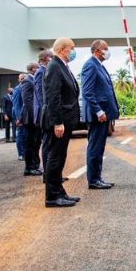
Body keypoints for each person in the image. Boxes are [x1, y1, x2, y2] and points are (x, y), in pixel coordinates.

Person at [41, 37, 81, 207]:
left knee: (60, 157)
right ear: (63, 49)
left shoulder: (62, 66)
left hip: (65, 120)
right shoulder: (55, 66)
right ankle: (52, 196)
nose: (73, 51)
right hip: (58, 121)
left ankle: (59, 192)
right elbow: (53, 97)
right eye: (72, 48)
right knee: (55, 158)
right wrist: (58, 122)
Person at [81, 40, 119, 190]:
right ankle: (94, 180)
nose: (107, 51)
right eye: (105, 49)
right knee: (95, 147)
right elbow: (87, 92)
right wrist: (98, 110)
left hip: (103, 114)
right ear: (97, 50)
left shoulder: (99, 65)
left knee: (99, 147)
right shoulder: (90, 65)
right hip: (97, 115)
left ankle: (97, 178)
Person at [21, 62, 42, 176]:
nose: (39, 69)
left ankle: (35, 165)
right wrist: (34, 118)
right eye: (38, 68)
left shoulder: (33, 79)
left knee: (36, 143)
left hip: (35, 118)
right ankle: (29, 167)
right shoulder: (27, 81)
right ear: (33, 69)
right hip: (30, 118)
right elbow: (28, 101)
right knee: (30, 143)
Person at [34, 50, 54, 168]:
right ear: (46, 58)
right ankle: (47, 173)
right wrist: (47, 112)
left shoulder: (45, 70)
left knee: (51, 144)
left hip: (47, 112)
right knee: (47, 143)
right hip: (45, 113)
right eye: (52, 57)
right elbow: (41, 95)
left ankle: (51, 173)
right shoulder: (40, 72)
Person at [12, 73, 26, 161]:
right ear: (19, 80)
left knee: (25, 135)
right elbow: (16, 105)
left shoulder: (25, 87)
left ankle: (24, 152)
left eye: (24, 78)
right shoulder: (17, 89)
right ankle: (21, 154)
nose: (23, 80)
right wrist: (18, 118)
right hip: (20, 116)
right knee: (20, 134)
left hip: (25, 115)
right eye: (21, 78)